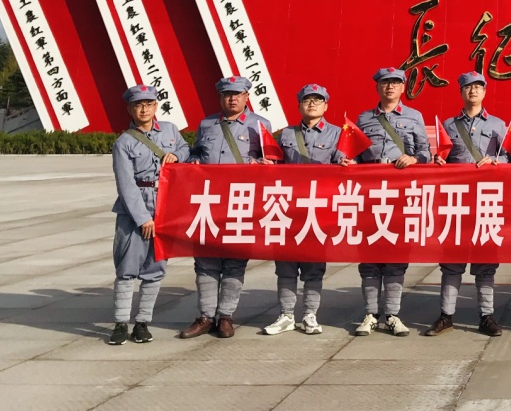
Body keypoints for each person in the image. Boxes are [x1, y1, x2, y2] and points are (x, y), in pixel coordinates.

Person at [181, 75, 272, 340]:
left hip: (241, 202)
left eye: (237, 94)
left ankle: (226, 316)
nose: (232, 99)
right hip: (209, 201)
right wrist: (193, 161)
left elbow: (273, 160)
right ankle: (205, 316)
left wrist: (263, 165)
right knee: (205, 260)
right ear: (221, 97)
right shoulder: (207, 124)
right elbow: (196, 152)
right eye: (227, 94)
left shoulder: (260, 125)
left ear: (246, 97)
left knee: (234, 261)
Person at [263, 84, 350, 337]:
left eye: (317, 100)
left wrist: (346, 164)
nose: (312, 104)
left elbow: (342, 163)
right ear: (299, 105)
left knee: (313, 266)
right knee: (286, 266)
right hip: (288, 208)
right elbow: (276, 163)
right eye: (307, 100)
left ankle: (310, 314)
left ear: (326, 106)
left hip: (318, 208)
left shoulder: (337, 134)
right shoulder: (287, 133)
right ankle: (286, 314)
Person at [426, 71, 507, 337]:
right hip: (456, 200)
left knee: (486, 262)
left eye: (478, 87)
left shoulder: (498, 124)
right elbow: (442, 156)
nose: (473, 91)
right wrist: (438, 161)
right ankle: (446, 316)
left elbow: (510, 157)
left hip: (486, 199)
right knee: (452, 261)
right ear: (461, 92)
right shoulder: (448, 125)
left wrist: (497, 161)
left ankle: (486, 316)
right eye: (468, 87)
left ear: (485, 92)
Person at [107, 84, 188, 345]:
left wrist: (176, 155)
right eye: (138, 105)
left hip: (165, 205)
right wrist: (143, 218)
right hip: (134, 211)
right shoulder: (124, 142)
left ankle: (142, 322)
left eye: (149, 104)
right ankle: (121, 323)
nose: (144, 109)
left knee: (155, 267)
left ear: (156, 106)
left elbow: (186, 149)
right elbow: (126, 184)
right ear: (130, 109)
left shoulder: (170, 130)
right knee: (127, 268)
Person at [355, 67, 431, 337]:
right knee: (369, 257)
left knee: (397, 255)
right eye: (385, 83)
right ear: (377, 87)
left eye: (396, 83)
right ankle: (370, 314)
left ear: (402, 88)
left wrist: (414, 158)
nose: (390, 87)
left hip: (400, 193)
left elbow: (425, 152)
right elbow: (355, 153)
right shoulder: (364, 118)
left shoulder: (414, 116)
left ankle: (393, 315)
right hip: (371, 194)